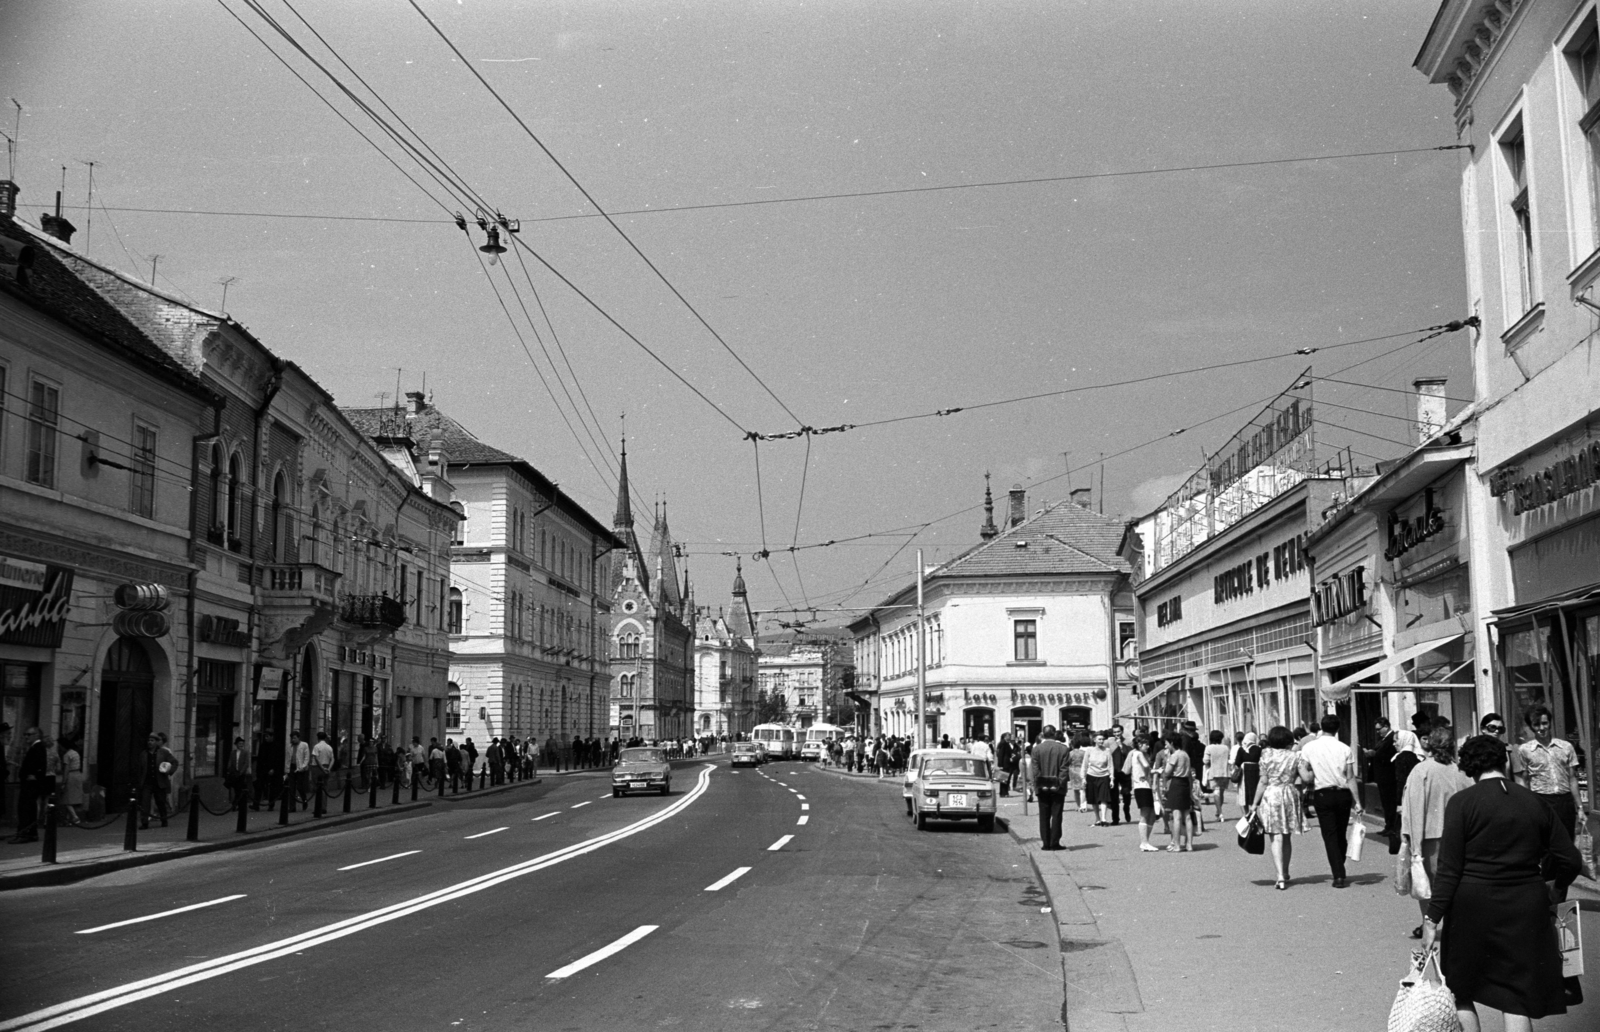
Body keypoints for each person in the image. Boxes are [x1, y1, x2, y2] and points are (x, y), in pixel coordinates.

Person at [1422, 735, 1584, 1032]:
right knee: (1516, 996)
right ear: (1506, 761)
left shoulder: (1461, 803)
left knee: (1462, 988)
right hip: (1526, 904)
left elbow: (1449, 869)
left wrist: (1432, 918)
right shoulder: (1534, 802)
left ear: (1468, 768)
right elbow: (1571, 860)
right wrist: (1557, 888)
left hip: (1472, 906)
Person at [1400, 727, 1471, 939]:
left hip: (1429, 836)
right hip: (1458, 836)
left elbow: (1413, 806)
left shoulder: (1421, 770)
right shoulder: (1460, 771)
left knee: (1427, 885)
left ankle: (1429, 923)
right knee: (1455, 882)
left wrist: (1410, 837)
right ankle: (1455, 924)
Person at [1297, 714, 1362, 887]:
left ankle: (1338, 874)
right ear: (1338, 729)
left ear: (1321, 728)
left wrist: (1311, 774)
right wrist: (1358, 802)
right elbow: (1350, 777)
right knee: (1341, 833)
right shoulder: (1344, 748)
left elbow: (1306, 776)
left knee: (1329, 834)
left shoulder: (1309, 748)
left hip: (1323, 794)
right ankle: (1339, 864)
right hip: (1343, 794)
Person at [1515, 703, 1582, 843]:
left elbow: (1572, 779)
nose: (1541, 728)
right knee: (1546, 844)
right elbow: (1524, 781)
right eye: (1536, 724)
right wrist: (1527, 806)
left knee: (1567, 841)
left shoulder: (1566, 747)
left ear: (1550, 723)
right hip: (1541, 800)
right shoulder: (1524, 750)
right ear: (1531, 726)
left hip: (1565, 801)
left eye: (1544, 723)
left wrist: (1580, 807)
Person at [1250, 725, 1304, 889]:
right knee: (1286, 835)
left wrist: (1254, 803)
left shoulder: (1265, 755)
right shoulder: (1295, 756)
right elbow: (1305, 776)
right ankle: (1286, 872)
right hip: (1289, 793)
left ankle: (1280, 875)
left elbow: (1263, 781)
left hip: (1271, 794)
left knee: (1276, 836)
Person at [1031, 725, 1070, 850]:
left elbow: (1035, 770)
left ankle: (1045, 843)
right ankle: (1055, 842)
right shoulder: (1063, 749)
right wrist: (1059, 783)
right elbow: (1064, 770)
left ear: (1043, 734)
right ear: (1054, 734)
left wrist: (1039, 783)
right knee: (1057, 815)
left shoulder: (1037, 749)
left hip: (1042, 786)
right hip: (1058, 787)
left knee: (1044, 815)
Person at [8, 727, 46, 842]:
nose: (26, 737)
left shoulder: (37, 747)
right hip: (30, 783)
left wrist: (35, 776)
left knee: (25, 808)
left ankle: (24, 834)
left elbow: (41, 765)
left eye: (28, 734)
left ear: (37, 735)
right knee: (29, 808)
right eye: (25, 734)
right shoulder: (35, 747)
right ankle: (30, 833)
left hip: (30, 784)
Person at [1122, 732, 1159, 852]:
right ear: (1139, 744)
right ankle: (1144, 842)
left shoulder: (1135, 753)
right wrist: (1155, 770)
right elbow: (1145, 765)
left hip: (1143, 786)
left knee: (1151, 814)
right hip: (1142, 786)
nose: (1147, 747)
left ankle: (1146, 841)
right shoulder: (1138, 753)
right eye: (1145, 744)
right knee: (1145, 814)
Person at [1367, 715, 1400, 851]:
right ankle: (1388, 825)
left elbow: (1388, 756)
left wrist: (1374, 754)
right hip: (1382, 777)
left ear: (1386, 727)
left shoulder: (1392, 739)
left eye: (1379, 729)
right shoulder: (1383, 739)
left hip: (1388, 777)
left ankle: (1391, 826)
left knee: (1389, 801)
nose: (1377, 732)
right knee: (1385, 802)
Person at [1161, 729, 1194, 852]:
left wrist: (1163, 769)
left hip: (1176, 784)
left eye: (1167, 743)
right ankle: (1189, 844)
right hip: (1185, 783)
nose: (1166, 746)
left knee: (1176, 816)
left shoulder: (1175, 755)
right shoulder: (1185, 754)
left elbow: (1167, 772)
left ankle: (1177, 845)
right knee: (1187, 815)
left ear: (1172, 743)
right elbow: (1190, 773)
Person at [136, 732, 178, 829]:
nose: (150, 742)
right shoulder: (143, 754)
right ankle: (144, 822)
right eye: (149, 741)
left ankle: (164, 820)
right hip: (147, 782)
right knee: (145, 803)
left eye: (152, 741)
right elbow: (140, 769)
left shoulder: (164, 753)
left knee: (160, 802)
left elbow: (174, 762)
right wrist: (139, 781)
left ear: (156, 742)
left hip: (160, 782)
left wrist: (169, 771)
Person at [1083, 731, 1114, 826]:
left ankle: (1104, 818)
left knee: (1103, 798)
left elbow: (1110, 765)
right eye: (1099, 739)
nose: (1101, 741)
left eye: (1102, 739)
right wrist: (1083, 778)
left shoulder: (1107, 751)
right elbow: (1084, 765)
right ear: (1094, 740)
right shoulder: (1089, 750)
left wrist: (1112, 778)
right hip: (1091, 776)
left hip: (1104, 776)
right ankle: (1097, 818)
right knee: (1094, 799)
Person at [1202, 729, 1231, 823]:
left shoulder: (1209, 748)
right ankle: (1219, 812)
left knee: (1216, 792)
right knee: (1221, 793)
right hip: (1225, 773)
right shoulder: (1226, 748)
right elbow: (1229, 759)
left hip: (1214, 773)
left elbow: (1205, 761)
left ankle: (1220, 812)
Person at [56, 735, 85, 825]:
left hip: (71, 776)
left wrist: (63, 782)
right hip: (78, 775)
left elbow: (66, 769)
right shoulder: (75, 753)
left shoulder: (66, 755)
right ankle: (69, 820)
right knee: (72, 798)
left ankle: (74, 817)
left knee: (66, 799)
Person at [1233, 731, 1261, 817]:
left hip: (1244, 771)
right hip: (1256, 771)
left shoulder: (1242, 749)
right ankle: (1254, 811)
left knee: (1243, 791)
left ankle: (1246, 813)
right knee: (1254, 790)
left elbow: (1237, 762)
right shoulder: (1259, 749)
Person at [1110, 727, 1133, 825]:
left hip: (1125, 771)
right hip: (1114, 772)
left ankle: (1126, 809)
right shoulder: (1109, 743)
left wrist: (1121, 745)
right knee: (1114, 797)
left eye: (1118, 732)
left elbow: (1130, 754)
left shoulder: (1128, 742)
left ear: (1122, 732)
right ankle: (1115, 818)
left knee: (1126, 793)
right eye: (1114, 732)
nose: (1117, 734)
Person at [225, 736, 252, 812]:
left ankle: (236, 804)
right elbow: (230, 762)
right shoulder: (233, 752)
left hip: (241, 774)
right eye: (239, 743)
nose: (241, 745)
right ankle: (236, 804)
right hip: (234, 773)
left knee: (239, 790)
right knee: (236, 790)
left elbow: (246, 763)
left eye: (242, 743)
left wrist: (241, 772)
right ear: (236, 744)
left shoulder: (245, 752)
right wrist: (229, 769)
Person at [286, 731, 311, 806]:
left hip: (300, 768)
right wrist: (287, 769)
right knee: (291, 787)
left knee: (300, 786)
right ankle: (292, 806)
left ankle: (304, 799)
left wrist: (303, 766)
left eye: (294, 738)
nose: (293, 740)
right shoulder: (289, 746)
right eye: (292, 738)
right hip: (292, 767)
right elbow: (287, 758)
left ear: (298, 738)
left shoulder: (304, 745)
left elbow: (307, 757)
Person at [1067, 732, 1089, 812]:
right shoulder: (1083, 753)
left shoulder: (1070, 753)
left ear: (1072, 745)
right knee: (1083, 789)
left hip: (1073, 772)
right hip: (1082, 771)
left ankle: (1078, 805)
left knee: (1075, 790)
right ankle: (1084, 805)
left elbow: (1067, 762)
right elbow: (1087, 762)